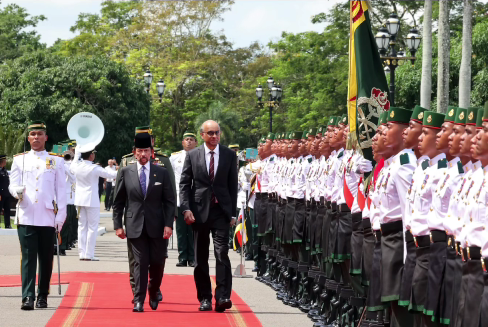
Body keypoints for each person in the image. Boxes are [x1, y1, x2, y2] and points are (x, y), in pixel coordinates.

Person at [179, 120, 238, 313]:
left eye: (217, 133)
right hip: (199, 212)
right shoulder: (193, 155)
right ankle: (204, 297)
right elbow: (185, 184)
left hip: (220, 211)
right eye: (210, 133)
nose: (214, 136)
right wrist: (186, 208)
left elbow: (232, 186)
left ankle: (222, 296)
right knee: (200, 256)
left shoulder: (229, 154)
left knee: (222, 253)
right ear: (202, 135)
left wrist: (232, 213)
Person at [113, 132, 175, 312]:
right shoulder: (126, 171)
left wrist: (168, 224)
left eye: (146, 151)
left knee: (157, 261)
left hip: (158, 225)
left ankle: (153, 290)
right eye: (139, 151)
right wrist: (118, 225)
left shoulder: (161, 172)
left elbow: (169, 201)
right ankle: (138, 299)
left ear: (151, 152)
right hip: (134, 224)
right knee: (139, 262)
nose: (143, 155)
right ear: (134, 152)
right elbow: (118, 201)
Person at [8, 121, 67, 310]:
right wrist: (15, 191)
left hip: (48, 216)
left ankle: (43, 295)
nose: (35, 137)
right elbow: (12, 184)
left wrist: (60, 218)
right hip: (26, 214)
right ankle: (27, 296)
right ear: (28, 138)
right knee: (27, 257)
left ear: (45, 137)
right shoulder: (19, 160)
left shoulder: (56, 161)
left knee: (46, 257)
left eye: (39, 134)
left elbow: (61, 192)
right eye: (32, 134)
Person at [70, 148, 117, 261]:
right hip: (91, 200)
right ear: (91, 156)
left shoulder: (76, 166)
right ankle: (89, 254)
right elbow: (111, 174)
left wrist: (77, 151)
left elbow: (73, 164)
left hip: (80, 200)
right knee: (92, 227)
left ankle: (82, 253)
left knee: (82, 226)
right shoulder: (94, 168)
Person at [170, 132, 197, 267]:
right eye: (186, 139)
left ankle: (192, 257)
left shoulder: (199, 155)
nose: (189, 142)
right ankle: (182, 257)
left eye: (191, 140)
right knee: (180, 230)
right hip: (180, 198)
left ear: (196, 143)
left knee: (192, 230)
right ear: (182, 142)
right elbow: (169, 177)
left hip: (195, 198)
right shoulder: (175, 157)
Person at [0, 154, 11, 228]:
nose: (6, 161)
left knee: (7, 210)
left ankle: (8, 225)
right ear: (2, 161)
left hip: (7, 194)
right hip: (0, 194)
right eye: (5, 160)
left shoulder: (5, 171)